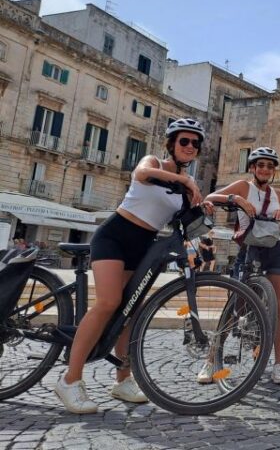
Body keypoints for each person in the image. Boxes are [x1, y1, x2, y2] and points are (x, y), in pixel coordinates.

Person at [54, 117, 207, 414]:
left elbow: (187, 221)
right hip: (115, 235)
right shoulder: (156, 164)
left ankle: (123, 380)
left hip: (143, 246)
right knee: (108, 302)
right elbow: (140, 173)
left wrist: (209, 202)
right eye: (184, 141)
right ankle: (70, 380)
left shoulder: (188, 188)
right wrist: (184, 180)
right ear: (172, 144)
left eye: (195, 143)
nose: (190, 147)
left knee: (130, 311)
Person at [204, 146, 280, 385]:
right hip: (250, 248)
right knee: (235, 306)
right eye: (260, 165)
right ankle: (211, 360)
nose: (265, 169)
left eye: (270, 166)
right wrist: (237, 200)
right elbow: (211, 198)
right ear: (253, 168)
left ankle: (278, 363)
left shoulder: (278, 194)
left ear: (274, 170)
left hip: (278, 250)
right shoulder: (244, 186)